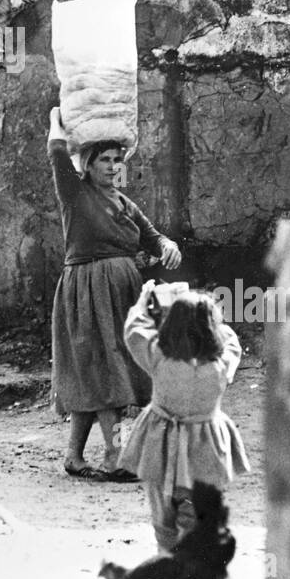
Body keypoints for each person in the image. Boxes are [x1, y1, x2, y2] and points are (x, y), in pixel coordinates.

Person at [47, 105, 182, 482]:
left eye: (116, 159)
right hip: (88, 292)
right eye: (102, 159)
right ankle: (114, 455)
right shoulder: (74, 194)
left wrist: (169, 247)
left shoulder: (125, 203)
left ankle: (74, 456)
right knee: (103, 370)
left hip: (123, 292)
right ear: (87, 164)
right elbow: (58, 155)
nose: (110, 165)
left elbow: (155, 238)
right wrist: (56, 123)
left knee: (101, 372)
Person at [120, 282, 250, 551]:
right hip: (204, 448)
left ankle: (165, 556)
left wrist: (144, 303)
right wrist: (208, 317)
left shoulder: (158, 356)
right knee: (199, 511)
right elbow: (230, 341)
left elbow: (134, 331)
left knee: (162, 511)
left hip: (161, 445)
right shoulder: (220, 364)